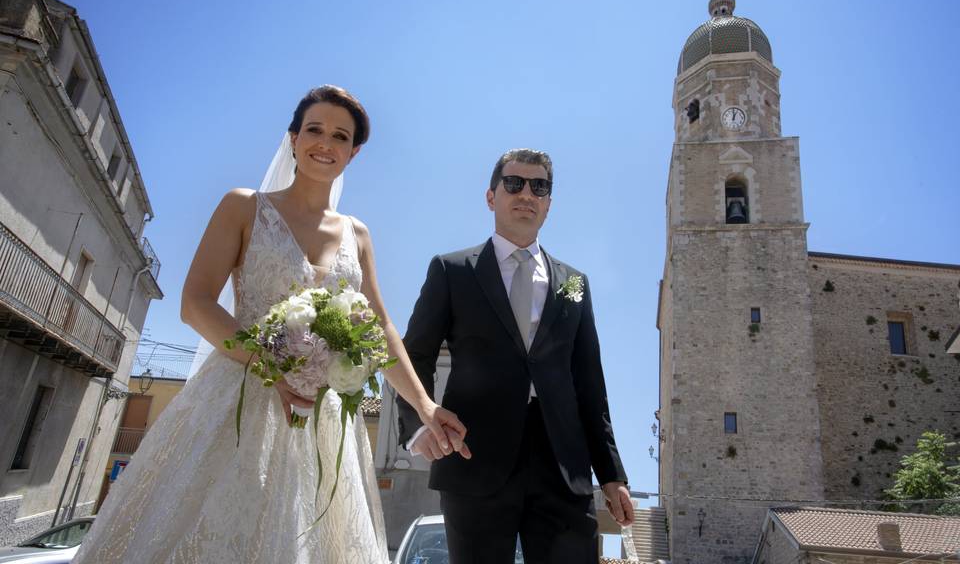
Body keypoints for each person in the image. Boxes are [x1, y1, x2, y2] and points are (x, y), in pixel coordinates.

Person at [75, 86, 467, 564]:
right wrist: (269, 368)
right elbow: (195, 304)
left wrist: (425, 406)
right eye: (315, 130)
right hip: (238, 399)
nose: (326, 143)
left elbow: (380, 326)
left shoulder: (357, 234)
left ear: (354, 152)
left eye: (340, 136)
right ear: (294, 138)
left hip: (319, 420)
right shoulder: (243, 206)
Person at [397, 148, 633, 564]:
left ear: (549, 204)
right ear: (492, 197)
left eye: (539, 186)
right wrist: (418, 425)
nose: (527, 193)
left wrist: (611, 474)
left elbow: (590, 384)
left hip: (562, 468)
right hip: (474, 460)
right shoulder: (452, 270)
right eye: (514, 183)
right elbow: (414, 354)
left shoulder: (574, 284)